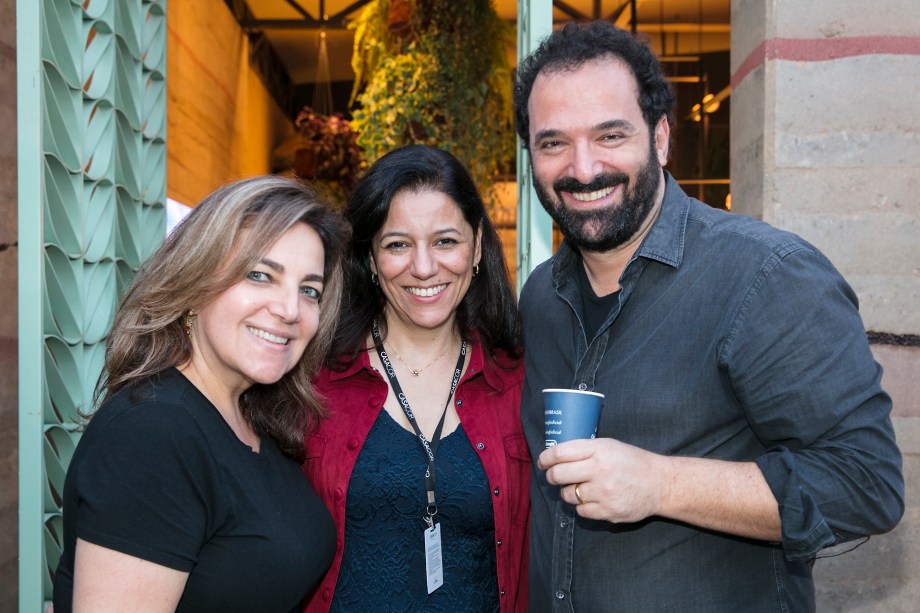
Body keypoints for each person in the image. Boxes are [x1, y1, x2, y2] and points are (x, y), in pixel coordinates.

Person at [512, 20, 904, 612]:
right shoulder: (541, 296)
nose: (584, 168)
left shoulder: (766, 276)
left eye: (610, 135)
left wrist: (662, 484)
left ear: (661, 137)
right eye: (553, 143)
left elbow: (866, 484)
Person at [52, 176, 349, 612]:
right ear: (195, 282)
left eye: (309, 291)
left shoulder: (246, 418)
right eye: (260, 275)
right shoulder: (153, 432)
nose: (290, 310)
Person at [301, 144, 529, 612]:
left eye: (446, 241)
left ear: (478, 245)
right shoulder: (311, 379)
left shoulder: (519, 379)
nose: (424, 267)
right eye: (398, 244)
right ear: (369, 257)